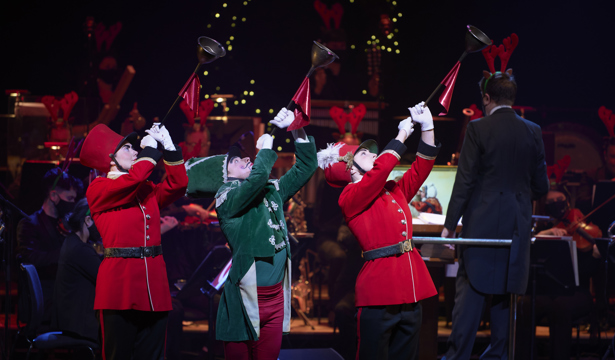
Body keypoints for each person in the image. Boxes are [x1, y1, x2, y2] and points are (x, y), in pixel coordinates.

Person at [441, 34, 549, 359]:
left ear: (487, 98)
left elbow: (465, 182)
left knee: (468, 307)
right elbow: (541, 187)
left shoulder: (477, 129)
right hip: (515, 229)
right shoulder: (534, 131)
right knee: (505, 306)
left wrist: (449, 226)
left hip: (480, 232)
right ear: (512, 98)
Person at [184, 108, 317, 360]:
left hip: (275, 299)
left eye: (244, 158)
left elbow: (306, 168)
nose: (245, 160)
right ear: (225, 177)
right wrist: (265, 152)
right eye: (236, 161)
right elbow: (254, 184)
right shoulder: (226, 197)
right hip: (244, 302)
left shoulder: (269, 189)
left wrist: (296, 129)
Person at [317, 102, 441, 359]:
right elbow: (381, 169)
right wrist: (401, 136)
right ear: (350, 168)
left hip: (410, 286)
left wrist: (427, 127)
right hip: (379, 293)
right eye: (364, 154)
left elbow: (421, 168)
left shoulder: (392, 189)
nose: (374, 155)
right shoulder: (349, 197)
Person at [79, 123, 188, 360]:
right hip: (120, 287)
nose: (135, 151)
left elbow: (177, 186)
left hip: (154, 286)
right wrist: (150, 152)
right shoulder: (99, 188)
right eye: (127, 148)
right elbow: (133, 179)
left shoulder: (144, 188)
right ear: (110, 158)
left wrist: (169, 148)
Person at [516, 188, 601, 360]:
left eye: (560, 200)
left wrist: (595, 254)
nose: (557, 205)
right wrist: (541, 236)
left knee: (560, 307)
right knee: (524, 304)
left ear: (568, 202)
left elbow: (589, 271)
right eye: (551, 202)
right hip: (547, 292)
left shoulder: (583, 232)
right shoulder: (545, 230)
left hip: (577, 292)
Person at [17, 167, 83, 327]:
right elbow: (30, 259)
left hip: (65, 294)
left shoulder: (68, 224)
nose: (72, 204)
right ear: (53, 195)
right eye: (69, 198)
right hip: (44, 298)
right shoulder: (29, 224)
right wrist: (66, 254)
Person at [51, 198, 102, 343]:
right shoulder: (81, 250)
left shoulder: (71, 241)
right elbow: (107, 280)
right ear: (88, 220)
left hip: (72, 320)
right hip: (80, 325)